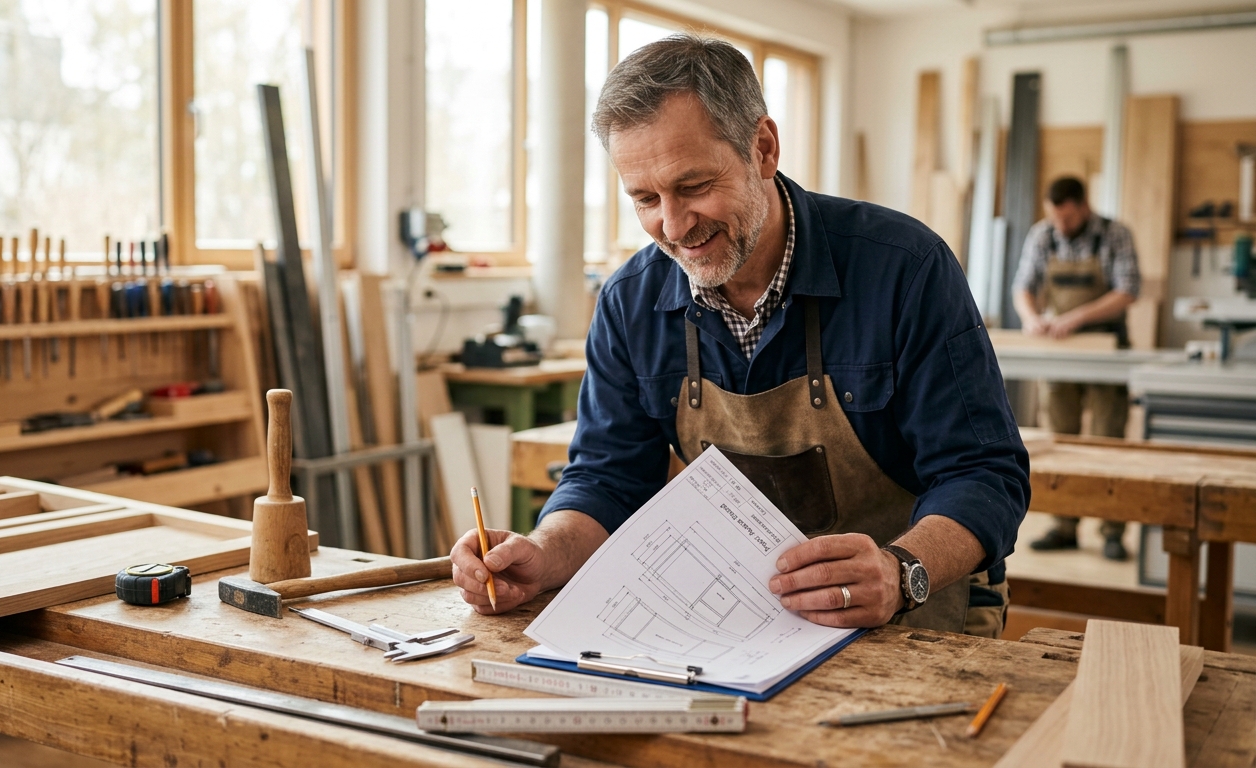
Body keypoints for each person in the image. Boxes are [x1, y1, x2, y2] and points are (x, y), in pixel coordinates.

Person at [450, 34, 1029, 638]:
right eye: (645, 199)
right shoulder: (631, 302)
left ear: (763, 148)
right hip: (743, 627)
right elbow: (606, 479)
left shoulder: (904, 269)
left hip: (915, 617)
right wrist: (543, 555)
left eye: (694, 186)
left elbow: (985, 474)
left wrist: (899, 570)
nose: (673, 226)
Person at [1012, 176, 1138, 562]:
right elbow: (1023, 286)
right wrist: (1032, 317)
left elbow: (1127, 290)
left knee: (1106, 443)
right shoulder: (1043, 235)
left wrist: (1077, 317)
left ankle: (1112, 530)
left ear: (1083, 207)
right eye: (1056, 219)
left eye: (1067, 219)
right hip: (1060, 351)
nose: (1061, 227)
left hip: (1104, 349)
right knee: (1059, 442)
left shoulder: (1114, 234)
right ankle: (1064, 526)